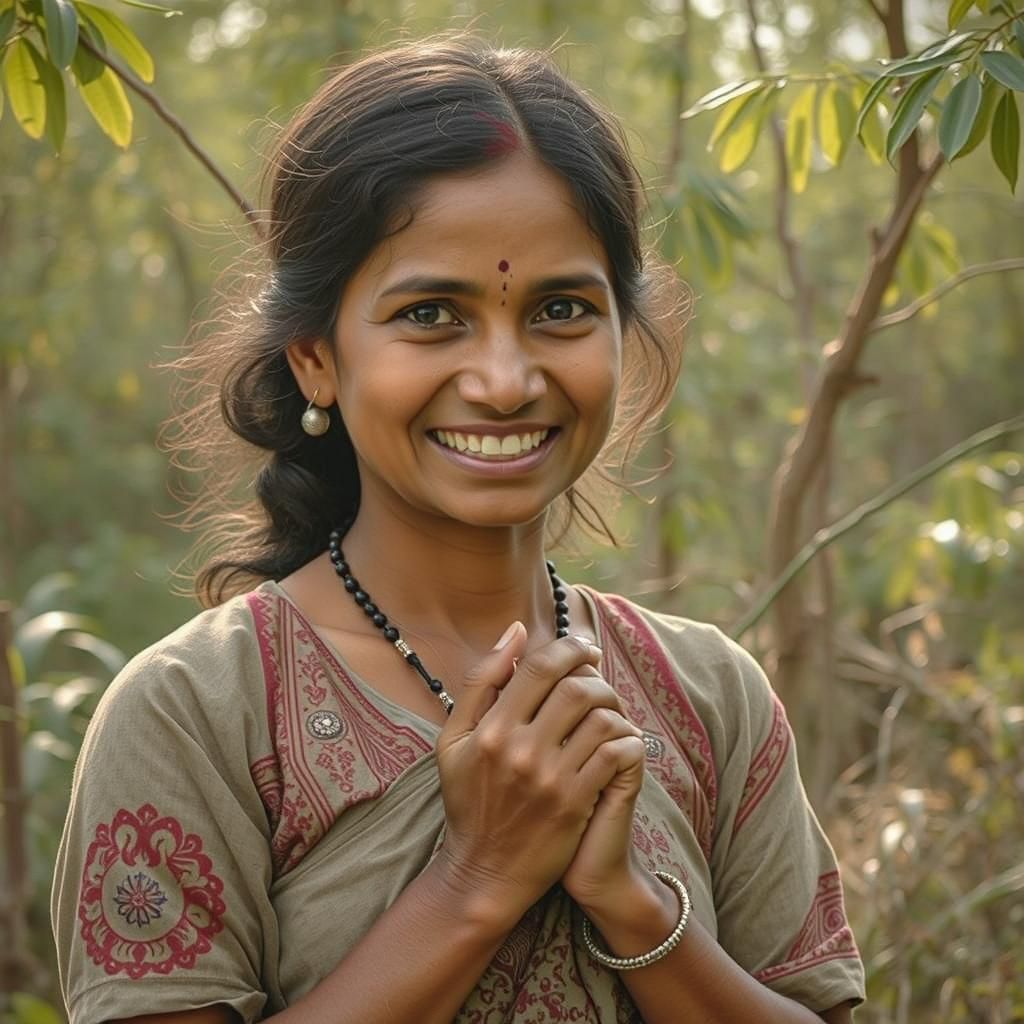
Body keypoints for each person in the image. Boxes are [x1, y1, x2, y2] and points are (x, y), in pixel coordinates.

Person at [51, 36, 865, 1024]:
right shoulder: (194, 714)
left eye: (561, 308)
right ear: (315, 357)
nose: (505, 380)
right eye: (432, 313)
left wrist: (632, 905)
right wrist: (475, 880)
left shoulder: (711, 697)